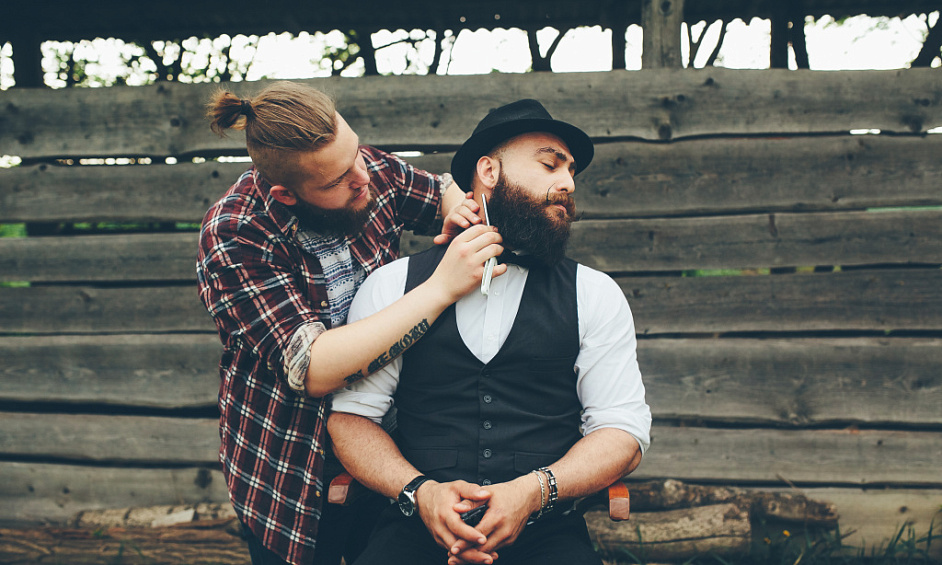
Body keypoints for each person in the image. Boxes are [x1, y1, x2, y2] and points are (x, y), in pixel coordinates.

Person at [328, 99, 652, 565]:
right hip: (416, 527)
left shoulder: (595, 294)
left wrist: (535, 491)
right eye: (550, 164)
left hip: (548, 531)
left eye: (572, 172)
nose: (568, 183)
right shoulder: (393, 287)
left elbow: (622, 431)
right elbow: (351, 419)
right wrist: (421, 494)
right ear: (488, 171)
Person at [196, 81, 505, 565]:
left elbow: (439, 190)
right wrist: (441, 287)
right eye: (338, 180)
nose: (363, 176)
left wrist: (461, 209)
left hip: (387, 445)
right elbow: (312, 368)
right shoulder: (236, 233)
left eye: (357, 153)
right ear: (286, 193)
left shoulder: (363, 169)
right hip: (293, 463)